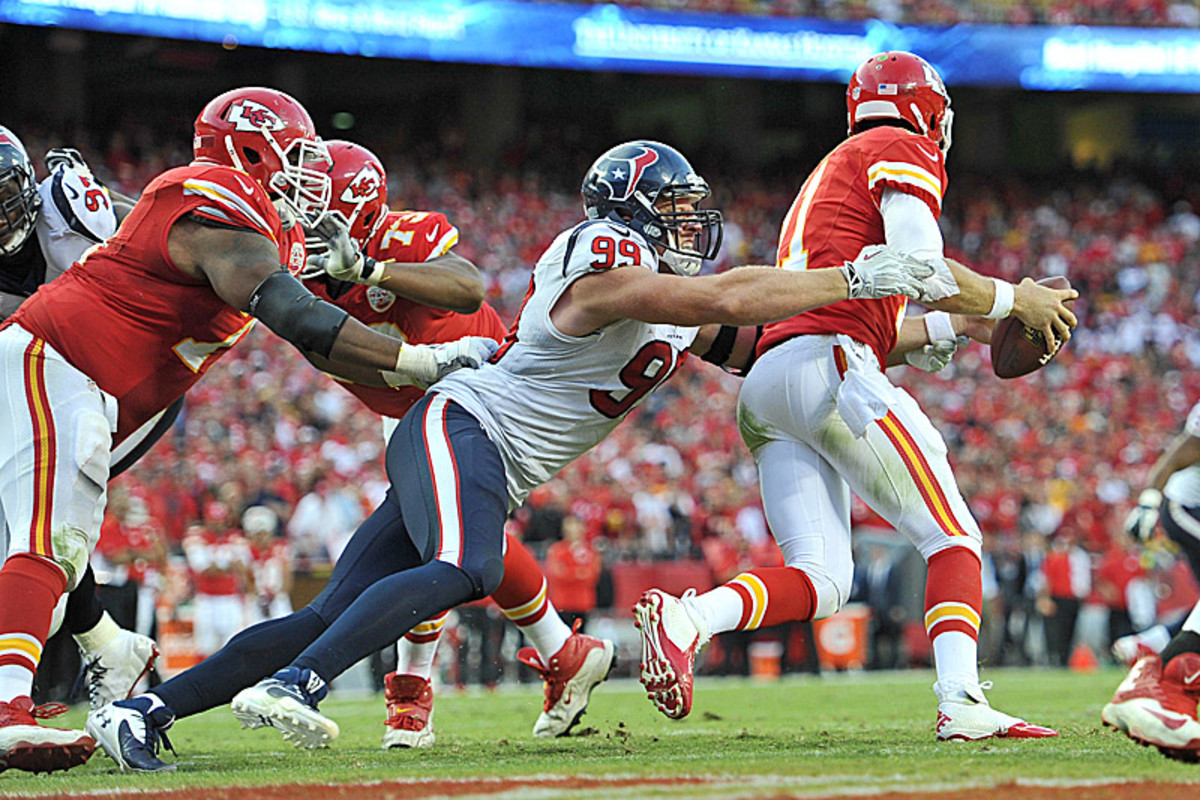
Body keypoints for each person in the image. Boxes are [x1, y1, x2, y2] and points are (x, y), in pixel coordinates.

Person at [89, 138, 944, 770]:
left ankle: (146, 713)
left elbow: (767, 342)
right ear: (633, 209)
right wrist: (858, 274)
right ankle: (298, 685)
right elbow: (715, 293)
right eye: (676, 206)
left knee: (328, 612)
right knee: (469, 563)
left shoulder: (671, 302)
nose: (692, 222)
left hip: (483, 454)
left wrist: (946, 326)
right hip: (462, 425)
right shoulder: (599, 258)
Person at [0, 87, 494, 774]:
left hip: (90, 382)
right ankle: (11, 709)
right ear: (249, 150)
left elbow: (316, 338)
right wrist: (419, 359)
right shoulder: (213, 197)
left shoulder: (265, 225)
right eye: (294, 157)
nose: (309, 177)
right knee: (46, 537)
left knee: (54, 541)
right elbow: (298, 317)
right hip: (58, 358)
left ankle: (66, 678)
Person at [632, 51, 1076, 740]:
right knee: (953, 533)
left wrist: (968, 324)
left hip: (772, 384)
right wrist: (1017, 295)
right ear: (929, 111)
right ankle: (959, 700)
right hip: (832, 367)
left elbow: (880, 309)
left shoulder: (828, 180)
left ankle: (690, 618)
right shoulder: (899, 147)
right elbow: (922, 269)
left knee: (824, 577)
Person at [0, 130, 159, 723]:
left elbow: (154, 244)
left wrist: (108, 200)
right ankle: (109, 647)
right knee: (29, 524)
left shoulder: (65, 207)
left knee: (36, 526)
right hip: (41, 383)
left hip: (123, 382)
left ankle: (64, 668)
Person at [1113, 399, 1200, 662]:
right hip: (1186, 506)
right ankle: (1160, 670)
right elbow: (1172, 460)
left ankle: (1151, 644)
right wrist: (1147, 504)